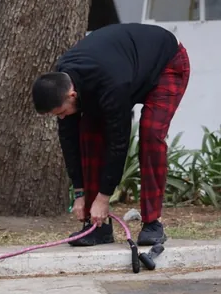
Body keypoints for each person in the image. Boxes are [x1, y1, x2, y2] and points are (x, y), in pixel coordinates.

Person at [31, 23, 190, 247]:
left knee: (151, 134)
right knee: (89, 132)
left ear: (72, 94)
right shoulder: (63, 81)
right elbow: (69, 140)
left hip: (166, 63)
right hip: (127, 67)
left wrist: (103, 197)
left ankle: (153, 223)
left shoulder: (112, 86)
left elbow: (118, 142)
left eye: (62, 112)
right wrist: (79, 192)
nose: (63, 118)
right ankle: (99, 227)